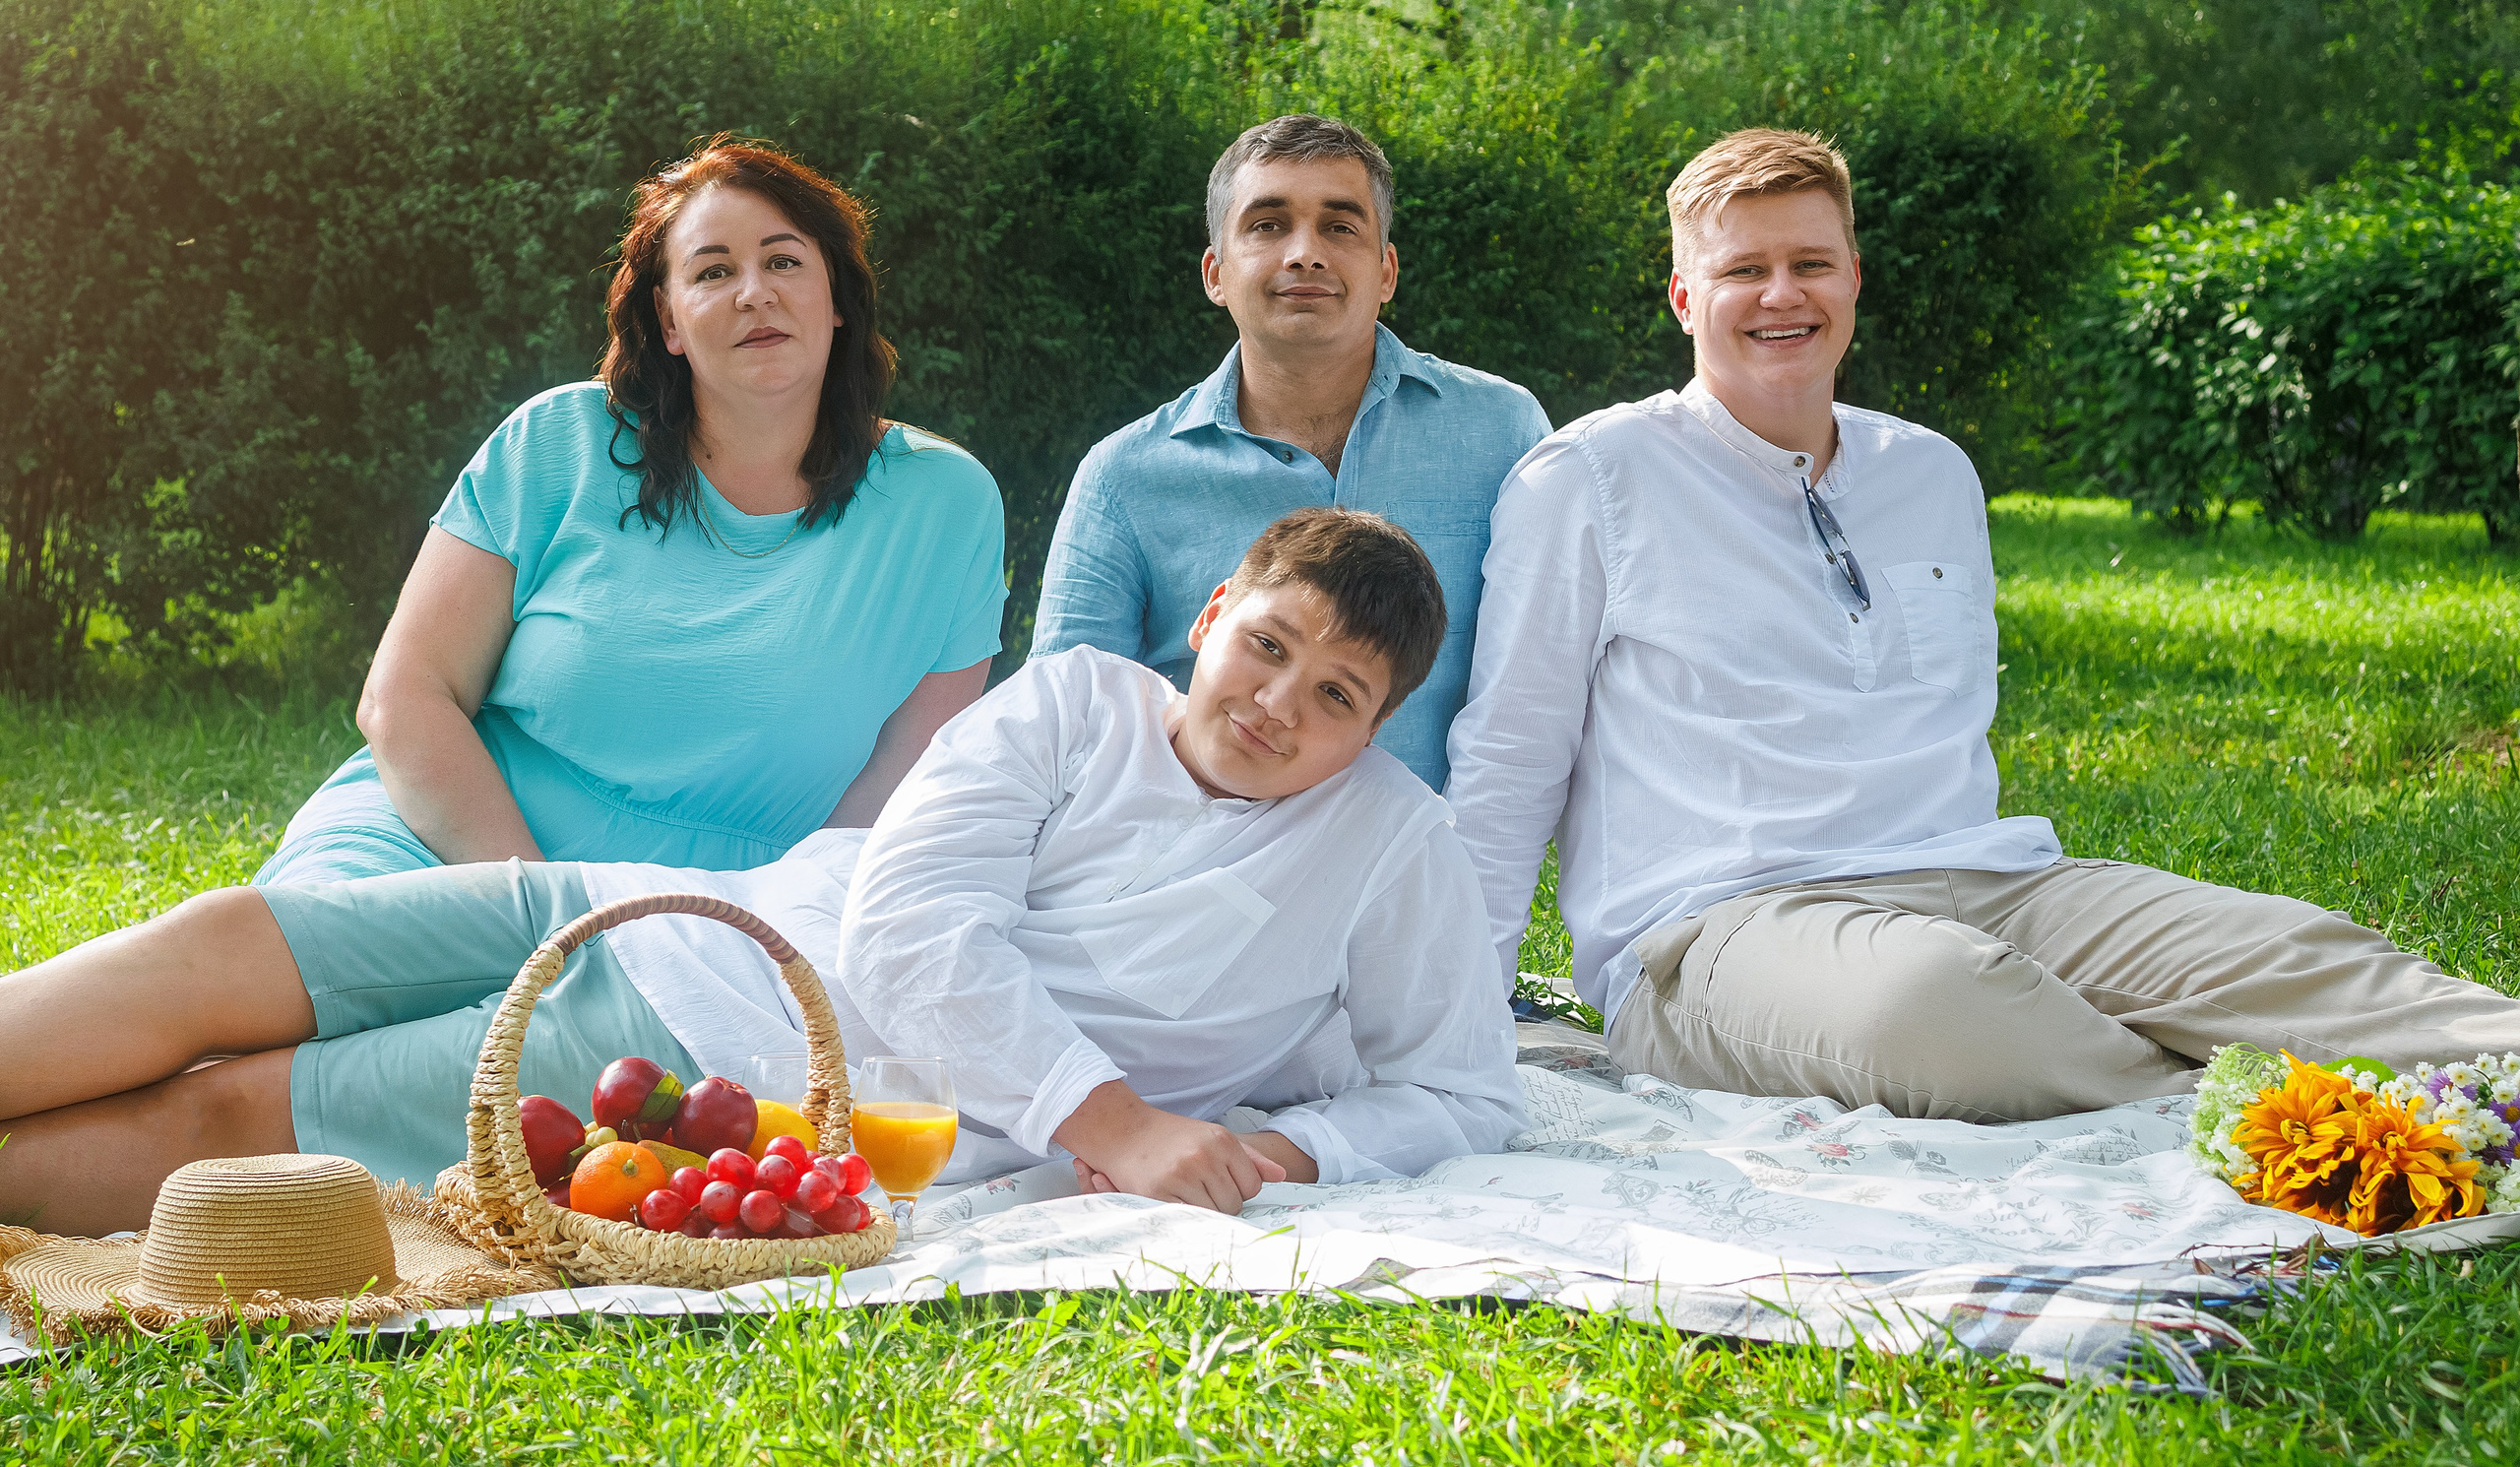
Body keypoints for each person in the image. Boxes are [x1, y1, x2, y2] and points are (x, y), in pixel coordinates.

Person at [0, 510, 1523, 1235]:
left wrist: (1281, 1150)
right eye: (1268, 644)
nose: (1279, 701)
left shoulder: (1393, 845)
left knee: (229, 1111)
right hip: (644, 909)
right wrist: (1114, 1120)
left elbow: (1459, 1090)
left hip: (719, 1048)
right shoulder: (1074, 702)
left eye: (1338, 693)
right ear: (1210, 616)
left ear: (1380, 727)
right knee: (224, 939)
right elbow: (914, 918)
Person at [1444, 126, 2520, 1118]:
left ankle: (2482, 1070)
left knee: (2294, 952)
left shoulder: (1931, 472)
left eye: (1812, 262)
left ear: (1854, 278)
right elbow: (1510, 757)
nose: (1783, 294)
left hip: (1989, 883)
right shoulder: (1591, 476)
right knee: (1939, 1010)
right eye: (1743, 270)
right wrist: (1458, 1014)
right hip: (1721, 930)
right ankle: (2283, 1118)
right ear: (1685, 296)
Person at [255, 138, 1006, 886]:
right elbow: (405, 697)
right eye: (713, 271)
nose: (754, 292)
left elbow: (893, 804)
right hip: (448, 841)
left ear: (836, 297)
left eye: (783, 261)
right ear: (669, 322)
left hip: (721, 916)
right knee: (248, 945)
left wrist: (769, 923)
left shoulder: (947, 509)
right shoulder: (556, 444)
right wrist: (541, 913)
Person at [1030, 114, 1552, 792]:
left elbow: (1541, 682)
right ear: (1216, 273)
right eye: (1268, 225)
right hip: (1193, 850)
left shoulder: (1504, 431)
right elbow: (1063, 720)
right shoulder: (1123, 477)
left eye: (1340, 227)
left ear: (1387, 271)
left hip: (1437, 849)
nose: (1305, 253)